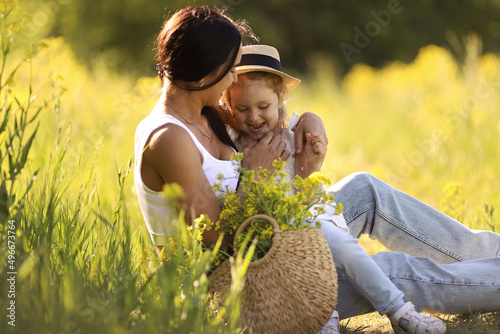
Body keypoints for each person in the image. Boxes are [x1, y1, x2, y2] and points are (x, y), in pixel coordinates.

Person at [134, 5, 500, 334]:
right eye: (229, 70)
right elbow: (216, 242)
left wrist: (310, 120)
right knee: (392, 270)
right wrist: (252, 176)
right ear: (204, 72)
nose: (234, 79)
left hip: (280, 238)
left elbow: (267, 112)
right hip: (251, 285)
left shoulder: (204, 110)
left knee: (365, 190)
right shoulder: (169, 138)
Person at [222, 44, 448, 334]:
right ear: (228, 105)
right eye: (242, 108)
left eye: (263, 107)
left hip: (308, 211)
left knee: (340, 247)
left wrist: (309, 160)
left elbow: (306, 188)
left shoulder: (296, 132)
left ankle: (399, 311)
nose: (253, 117)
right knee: (292, 255)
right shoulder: (231, 142)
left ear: (281, 99)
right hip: (271, 227)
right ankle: (323, 319)